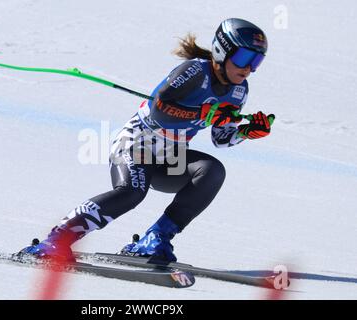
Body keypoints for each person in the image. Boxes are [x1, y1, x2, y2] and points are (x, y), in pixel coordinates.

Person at [19, 18, 272, 262]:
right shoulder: (196, 71)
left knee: (212, 171)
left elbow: (221, 138)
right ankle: (58, 239)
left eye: (256, 61)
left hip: (169, 158)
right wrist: (201, 113)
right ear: (221, 51)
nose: (248, 68)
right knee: (131, 192)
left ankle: (156, 237)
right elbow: (159, 110)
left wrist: (245, 132)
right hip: (137, 144)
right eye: (243, 58)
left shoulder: (239, 91)